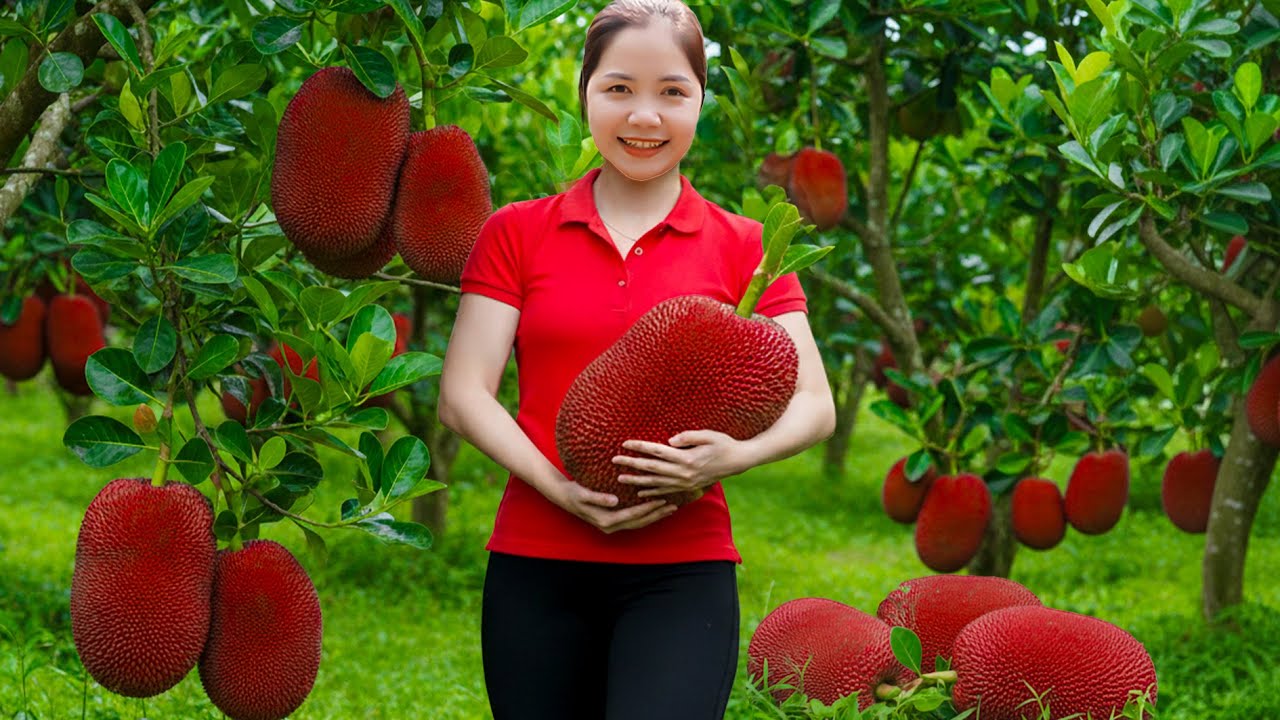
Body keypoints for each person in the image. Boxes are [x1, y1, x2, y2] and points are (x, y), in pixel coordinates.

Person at [437, 1, 836, 718]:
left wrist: (726, 458)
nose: (644, 117)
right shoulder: (517, 232)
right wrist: (557, 488)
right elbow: (465, 392)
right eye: (618, 89)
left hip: (682, 571)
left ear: (701, 102)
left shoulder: (749, 246)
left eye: (672, 92)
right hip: (537, 560)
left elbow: (816, 406)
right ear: (584, 92)